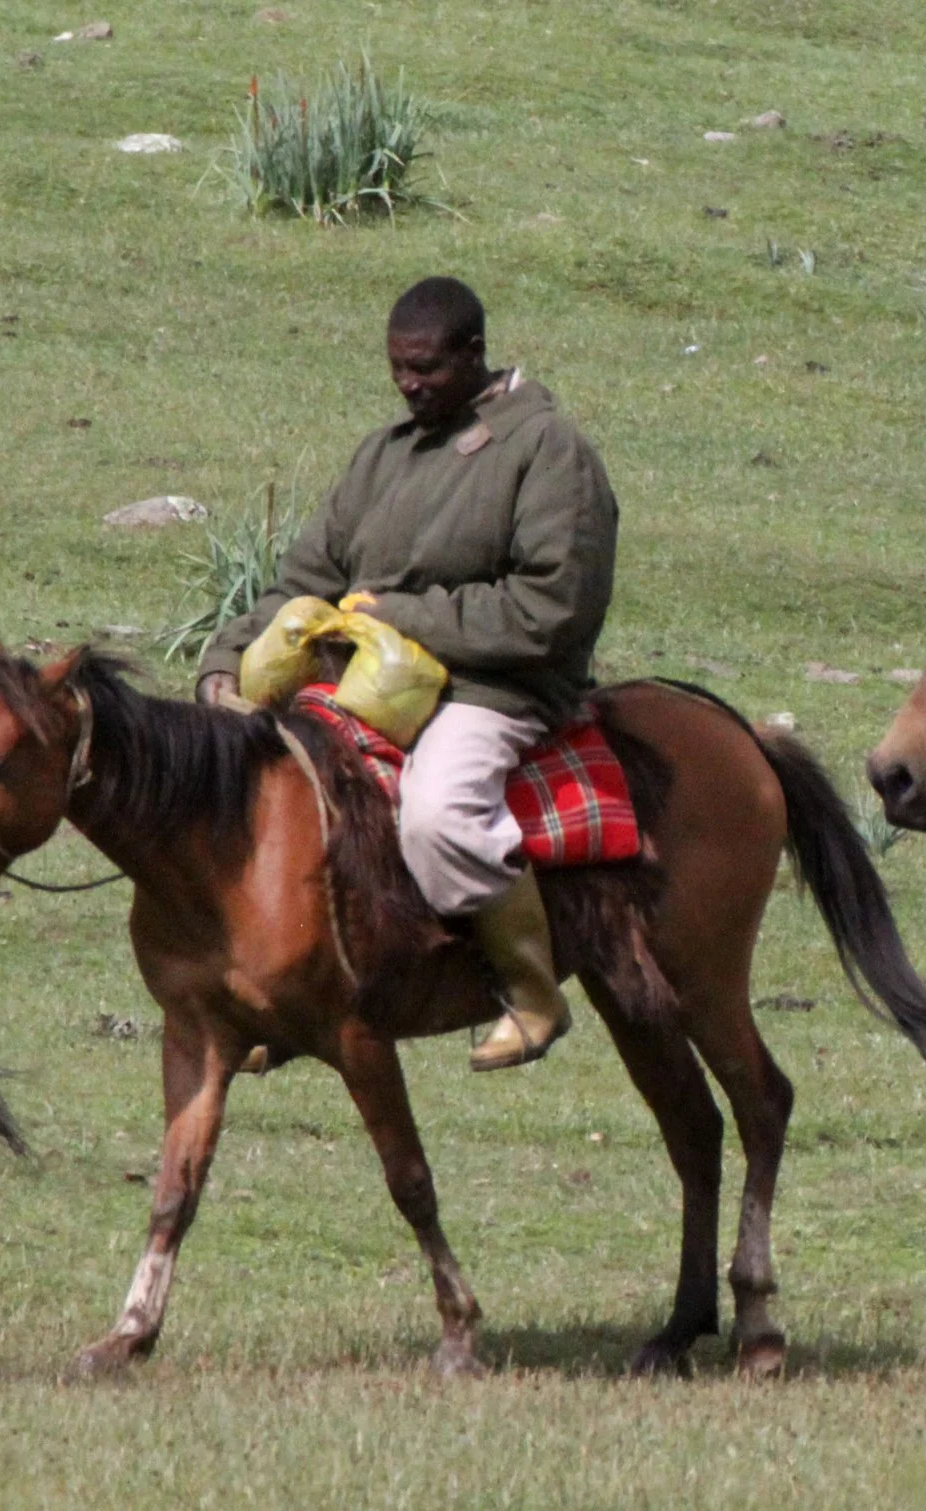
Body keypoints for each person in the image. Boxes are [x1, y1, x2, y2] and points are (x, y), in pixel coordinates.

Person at [199, 277, 620, 1071]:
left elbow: (551, 608)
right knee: (282, 802)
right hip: (371, 682)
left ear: (473, 353)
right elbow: (305, 578)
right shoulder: (385, 454)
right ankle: (301, 997)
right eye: (397, 367)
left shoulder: (547, 449)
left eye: (425, 367)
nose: (409, 384)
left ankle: (532, 992)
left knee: (439, 813)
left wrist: (403, 617)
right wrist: (226, 663)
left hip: (494, 689)